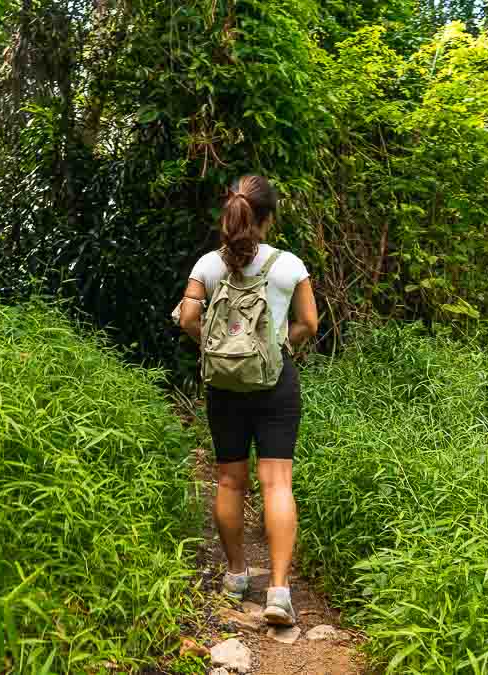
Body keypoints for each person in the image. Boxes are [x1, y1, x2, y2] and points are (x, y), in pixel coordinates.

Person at [177, 174, 319, 626]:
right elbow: (310, 323)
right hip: (275, 382)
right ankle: (278, 591)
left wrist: (212, 348)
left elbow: (187, 317)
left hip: (223, 385)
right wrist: (281, 346)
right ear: (268, 217)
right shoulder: (290, 265)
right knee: (277, 482)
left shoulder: (207, 266)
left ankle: (236, 575)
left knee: (229, 481)